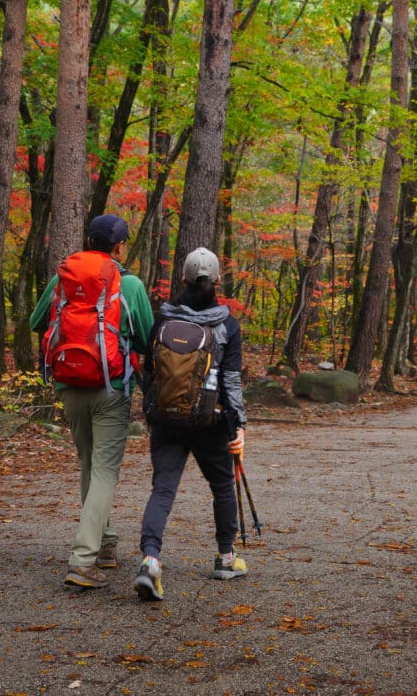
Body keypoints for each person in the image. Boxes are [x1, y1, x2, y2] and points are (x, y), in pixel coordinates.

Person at [30, 214, 154, 589]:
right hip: (110, 388)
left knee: (88, 464)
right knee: (103, 471)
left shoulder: (62, 279)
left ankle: (104, 544)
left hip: (68, 385)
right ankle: (83, 560)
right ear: (118, 247)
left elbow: (38, 321)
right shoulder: (128, 283)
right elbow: (148, 338)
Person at [135, 247, 248, 602]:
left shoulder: (163, 320)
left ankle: (151, 561)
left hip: (167, 418)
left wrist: (153, 406)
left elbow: (149, 372)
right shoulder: (227, 325)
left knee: (163, 490)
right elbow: (231, 381)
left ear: (182, 279)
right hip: (209, 421)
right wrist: (238, 424)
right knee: (222, 486)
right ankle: (226, 558)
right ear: (217, 281)